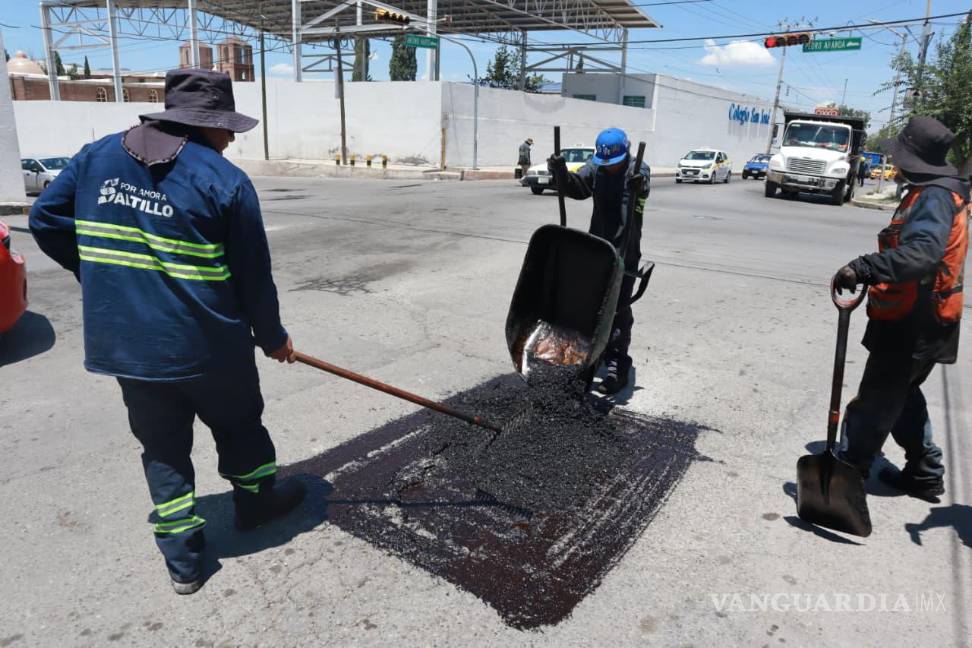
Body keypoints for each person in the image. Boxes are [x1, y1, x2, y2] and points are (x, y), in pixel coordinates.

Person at [29, 69, 306, 595]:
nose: (230, 139)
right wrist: (272, 337)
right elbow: (253, 277)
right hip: (210, 346)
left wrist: (100, 272)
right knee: (241, 425)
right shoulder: (224, 180)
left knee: (162, 448)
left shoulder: (96, 156)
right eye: (228, 128)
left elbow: (45, 219)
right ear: (205, 125)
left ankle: (183, 560)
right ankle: (255, 504)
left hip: (128, 347)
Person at [834, 116, 970, 501]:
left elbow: (923, 254)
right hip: (923, 319)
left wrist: (864, 267)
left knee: (876, 400)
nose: (895, 164)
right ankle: (925, 473)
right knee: (903, 394)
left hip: (915, 321)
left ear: (914, 160)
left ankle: (846, 478)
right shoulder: (936, 191)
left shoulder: (934, 197)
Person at [548, 127, 651, 394]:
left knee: (617, 311)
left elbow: (644, 187)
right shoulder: (596, 167)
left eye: (614, 165)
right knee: (589, 308)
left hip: (625, 251)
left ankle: (618, 366)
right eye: (606, 165)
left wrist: (640, 185)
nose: (610, 169)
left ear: (625, 155)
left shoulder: (637, 169)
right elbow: (577, 188)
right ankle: (589, 358)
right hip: (597, 249)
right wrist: (560, 173)